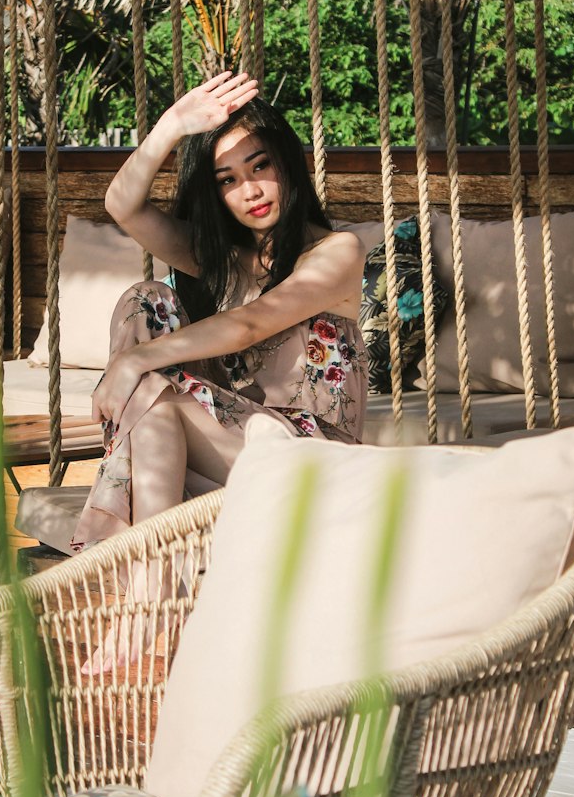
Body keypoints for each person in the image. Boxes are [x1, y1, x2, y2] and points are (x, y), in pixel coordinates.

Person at [70, 70, 367, 552]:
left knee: (151, 389)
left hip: (313, 460)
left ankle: (113, 551)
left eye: (259, 168)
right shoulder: (225, 263)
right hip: (235, 448)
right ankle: (154, 585)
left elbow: (250, 323)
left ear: (288, 165)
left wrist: (133, 361)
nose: (249, 191)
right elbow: (122, 205)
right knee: (145, 299)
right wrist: (171, 125)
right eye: (228, 180)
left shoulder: (337, 253)